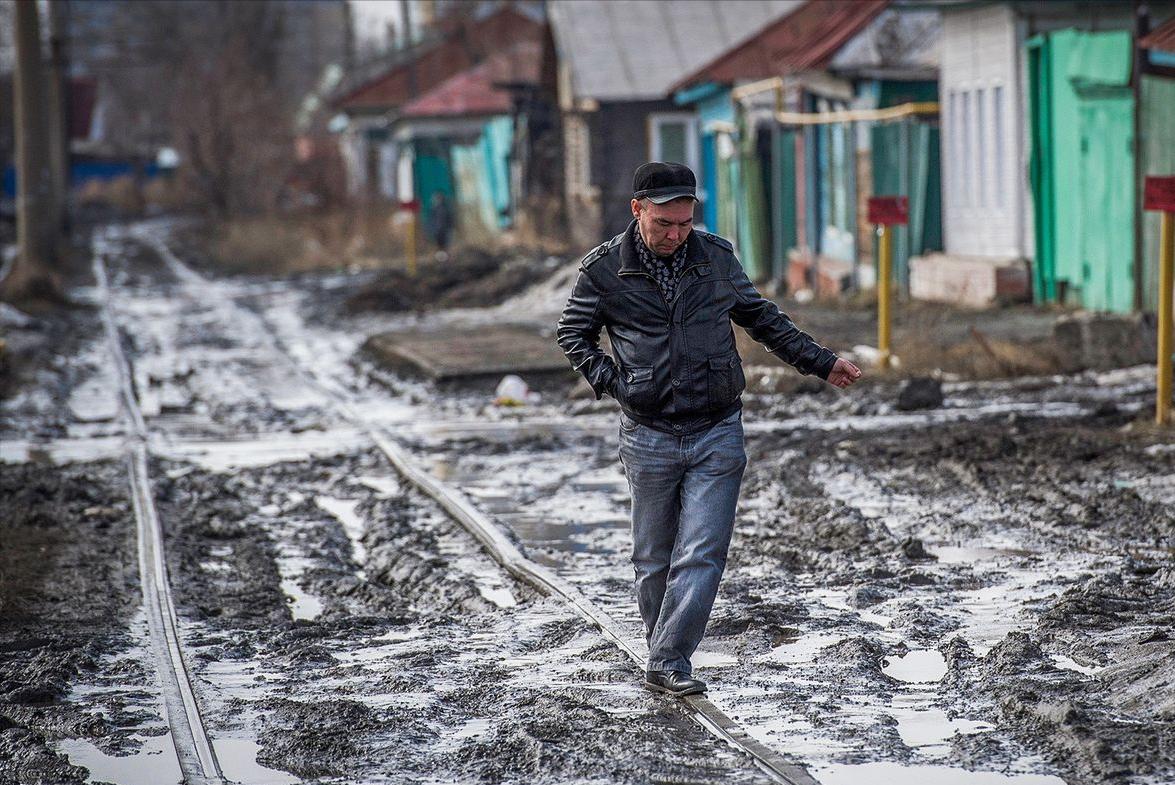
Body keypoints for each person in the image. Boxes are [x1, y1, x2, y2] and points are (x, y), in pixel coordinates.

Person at [556, 162, 861, 697]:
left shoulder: (716, 258)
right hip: (647, 432)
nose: (676, 235)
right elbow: (572, 332)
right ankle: (663, 650)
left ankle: (670, 658)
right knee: (652, 558)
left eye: (684, 223)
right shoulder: (604, 270)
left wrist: (821, 361)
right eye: (664, 224)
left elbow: (763, 319)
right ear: (637, 210)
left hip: (717, 428)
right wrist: (615, 381)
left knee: (702, 551)